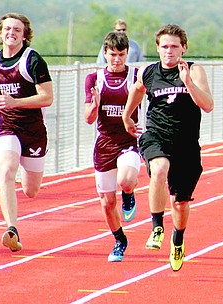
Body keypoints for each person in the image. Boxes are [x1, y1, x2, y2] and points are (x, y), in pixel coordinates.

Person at [122, 24, 214, 271]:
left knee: (180, 203)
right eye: (164, 46)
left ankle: (178, 238)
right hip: (156, 135)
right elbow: (137, 90)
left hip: (186, 143)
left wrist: (188, 84)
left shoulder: (193, 71)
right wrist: (127, 115)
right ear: (158, 48)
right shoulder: (148, 72)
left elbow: (208, 105)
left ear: (184, 48)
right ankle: (156, 227)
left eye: (174, 46)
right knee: (159, 169)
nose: (169, 51)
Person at [0, 13, 53, 252]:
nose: (11, 33)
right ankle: (11, 228)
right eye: (7, 28)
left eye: (17, 30)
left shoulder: (32, 60)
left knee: (31, 190)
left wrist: (14, 102)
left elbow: (47, 97)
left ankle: (25, 175)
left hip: (33, 131)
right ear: (0, 32)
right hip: (6, 127)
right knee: (7, 170)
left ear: (24, 35)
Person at [84, 31, 140, 262]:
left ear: (127, 54)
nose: (117, 59)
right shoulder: (94, 79)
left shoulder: (136, 76)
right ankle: (119, 240)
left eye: (121, 54)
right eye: (112, 54)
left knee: (125, 180)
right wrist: (95, 105)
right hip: (104, 143)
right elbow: (88, 118)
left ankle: (129, 193)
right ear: (105, 53)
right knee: (107, 202)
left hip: (129, 140)